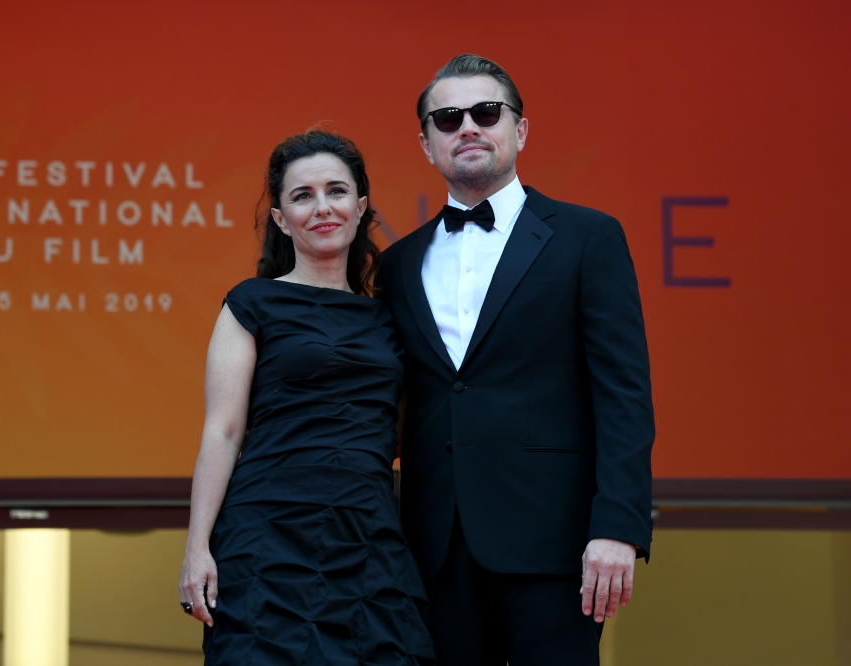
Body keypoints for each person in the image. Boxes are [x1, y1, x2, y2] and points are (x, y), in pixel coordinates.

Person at [375, 54, 655, 665]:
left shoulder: (588, 237)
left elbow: (624, 395)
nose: (467, 127)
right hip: (434, 549)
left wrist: (617, 526)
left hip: (556, 544)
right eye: (447, 119)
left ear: (520, 130)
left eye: (486, 112)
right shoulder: (395, 265)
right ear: (426, 144)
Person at [178, 130, 435, 665]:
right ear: (279, 218)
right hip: (267, 533)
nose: (323, 208)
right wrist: (197, 547)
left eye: (337, 192)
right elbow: (222, 433)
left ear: (361, 207)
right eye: (302, 195)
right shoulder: (252, 303)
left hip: (366, 534)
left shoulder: (391, 317)